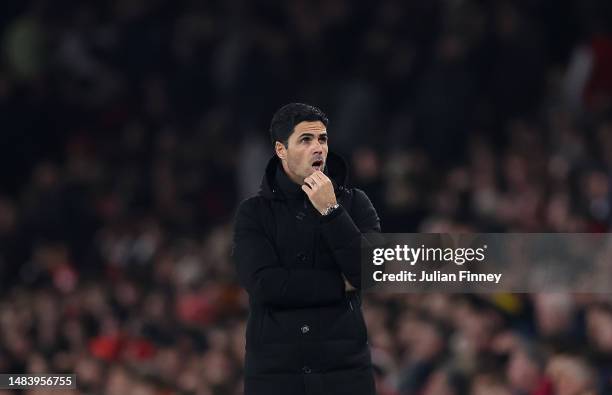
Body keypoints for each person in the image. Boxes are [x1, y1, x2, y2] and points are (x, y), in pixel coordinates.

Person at [232, 103, 381, 395]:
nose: (318, 148)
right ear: (281, 150)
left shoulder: (355, 204)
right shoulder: (253, 213)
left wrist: (332, 211)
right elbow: (264, 286)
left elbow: (371, 271)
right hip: (277, 377)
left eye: (322, 139)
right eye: (305, 140)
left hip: (344, 374)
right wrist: (340, 283)